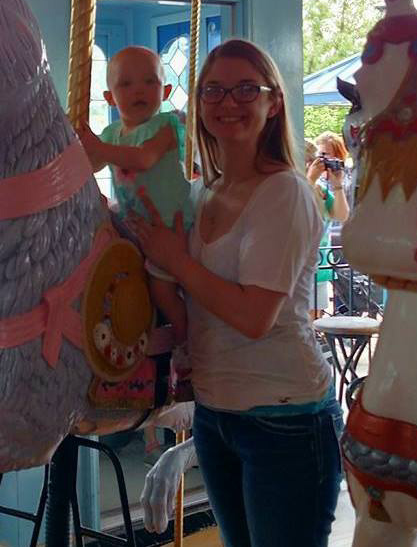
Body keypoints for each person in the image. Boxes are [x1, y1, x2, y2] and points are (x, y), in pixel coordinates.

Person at [130, 39, 342, 547]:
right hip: (216, 413)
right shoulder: (202, 193)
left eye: (247, 88)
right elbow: (185, 297)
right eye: (214, 90)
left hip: (284, 417)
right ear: (198, 106)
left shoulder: (285, 191)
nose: (229, 102)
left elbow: (253, 315)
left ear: (273, 103)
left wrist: (175, 257)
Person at [78, 46, 193, 345]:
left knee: (161, 291)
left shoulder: (167, 126)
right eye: (126, 84)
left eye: (149, 82)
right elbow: (88, 166)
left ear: (165, 90)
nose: (138, 90)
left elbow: (144, 159)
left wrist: (99, 149)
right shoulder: (112, 133)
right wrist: (74, 146)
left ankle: (185, 344)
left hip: (169, 225)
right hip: (134, 224)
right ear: (109, 97)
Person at [306, 134, 350, 316]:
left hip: (319, 266)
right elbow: (296, 211)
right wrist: (308, 180)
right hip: (296, 269)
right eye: (308, 161)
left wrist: (337, 185)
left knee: (315, 321)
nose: (311, 165)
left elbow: (341, 215)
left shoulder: (320, 190)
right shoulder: (291, 188)